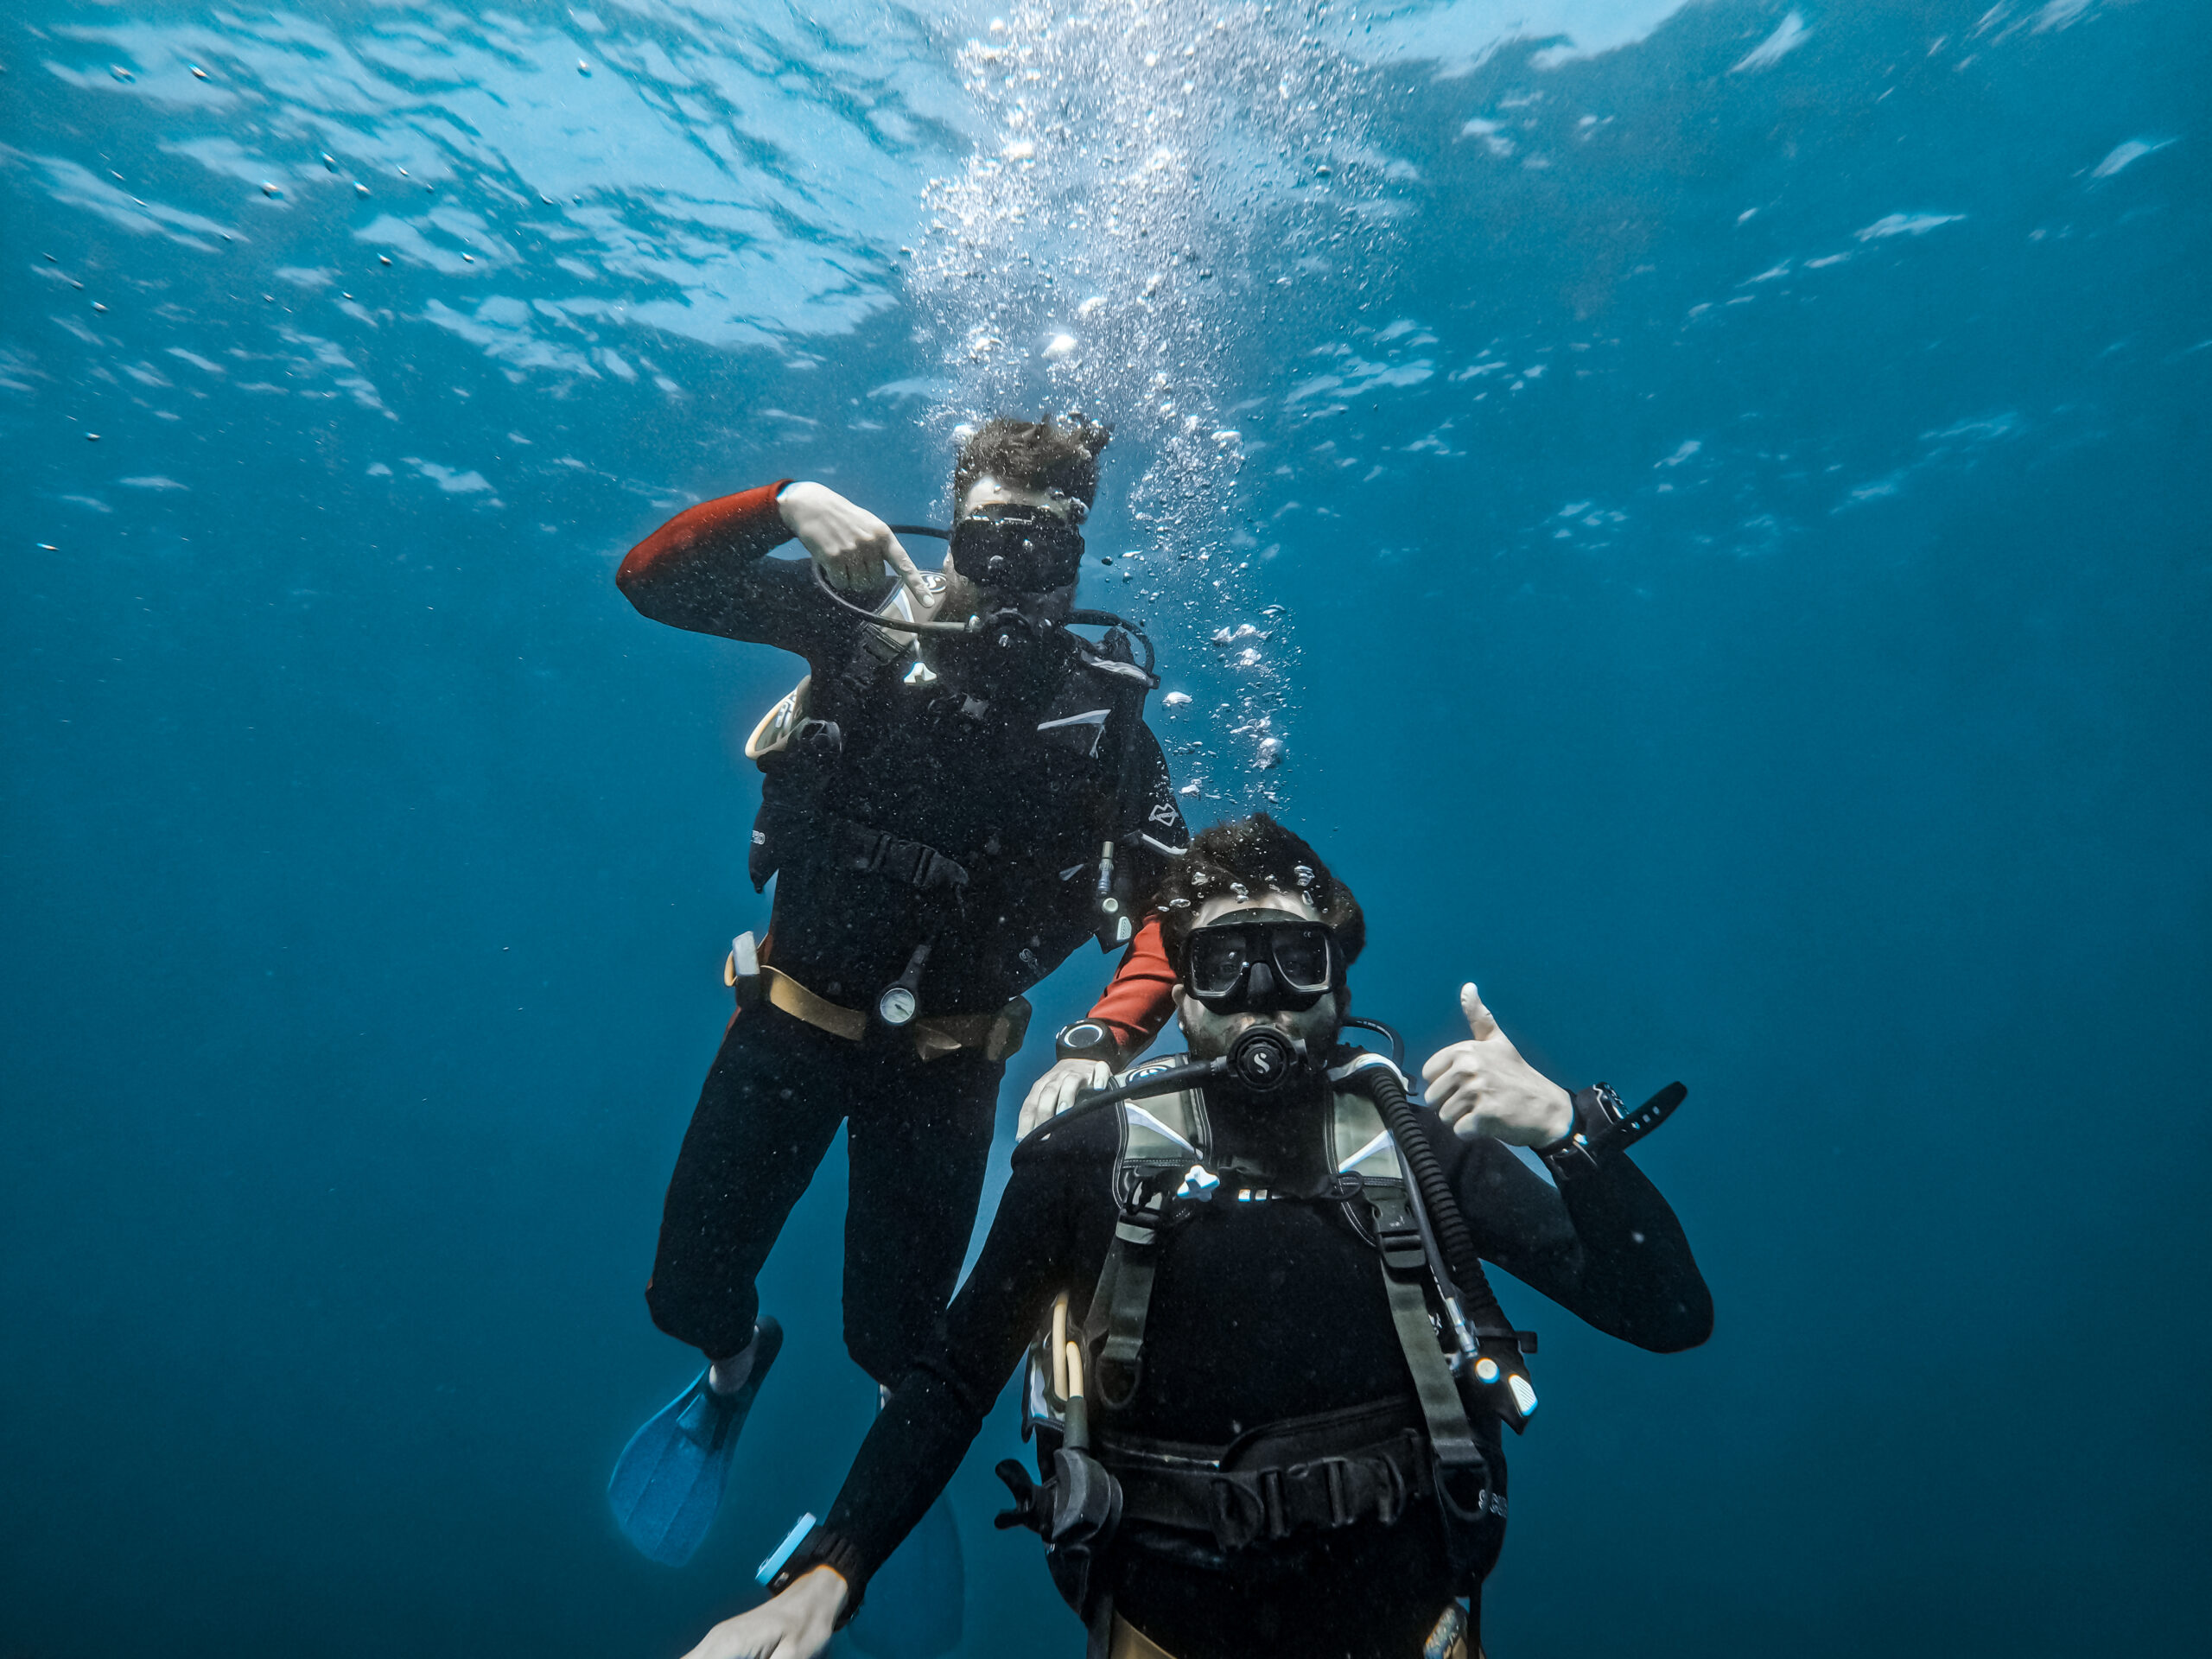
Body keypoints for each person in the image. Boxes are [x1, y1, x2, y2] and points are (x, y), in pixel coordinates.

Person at [683, 814, 1714, 1659]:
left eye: (1292, 959)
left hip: (1415, 1628)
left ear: (1338, 985)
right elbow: (953, 1380)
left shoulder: (1422, 1149)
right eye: (1226, 962)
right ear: (1179, 994)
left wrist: (1570, 1134)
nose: (1260, 995)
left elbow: (1670, 1317)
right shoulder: (1085, 1163)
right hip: (1162, 1633)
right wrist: (831, 1571)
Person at [605, 416, 1192, 1580]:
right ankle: (733, 1373)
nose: (1020, 576)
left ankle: (885, 1479)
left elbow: (1180, 912)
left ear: (1078, 560)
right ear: (952, 530)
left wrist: (1099, 1038)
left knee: (899, 1338)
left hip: (949, 1074)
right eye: (994, 542)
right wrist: (784, 501)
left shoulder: (1107, 714)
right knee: (687, 1295)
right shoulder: (858, 622)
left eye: (1049, 553)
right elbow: (650, 583)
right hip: (788, 1027)